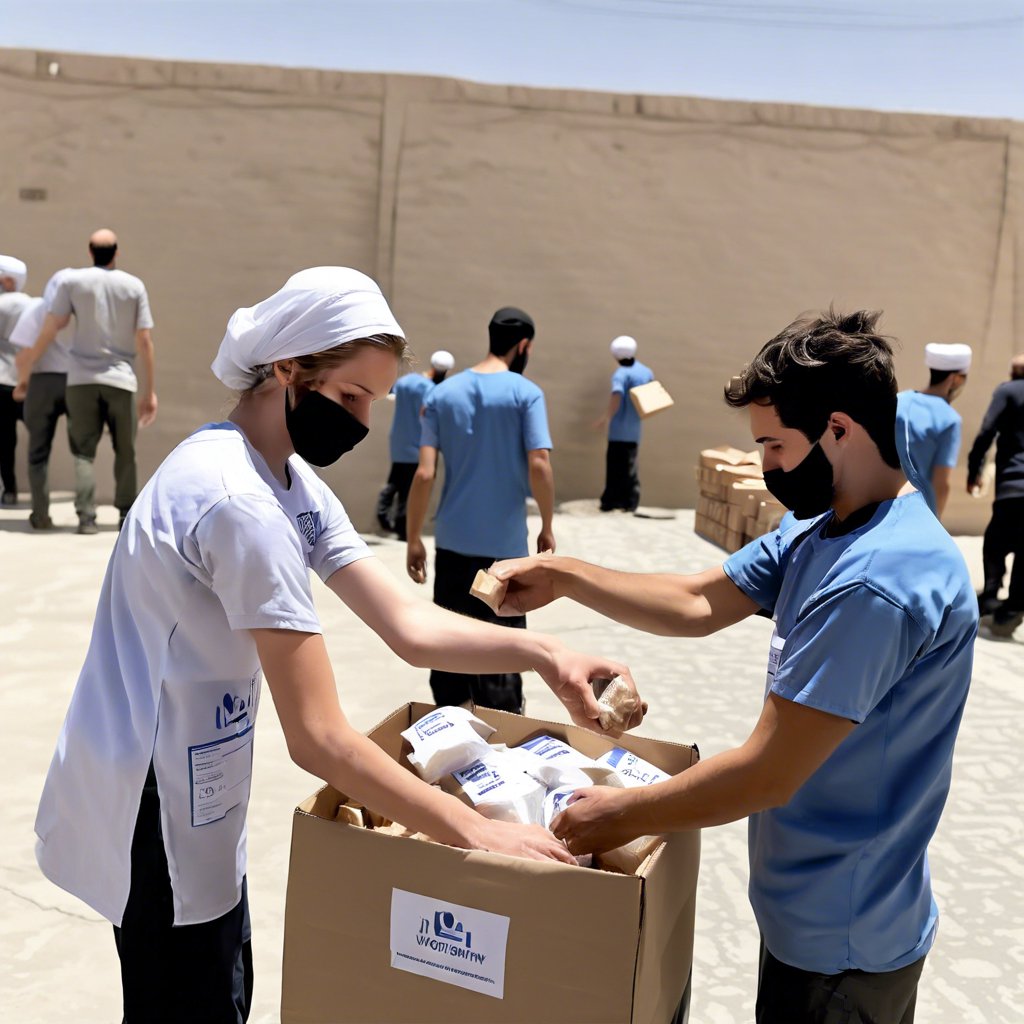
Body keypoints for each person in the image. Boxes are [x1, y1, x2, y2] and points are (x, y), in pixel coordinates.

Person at [34, 267, 641, 1023]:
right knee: (185, 996)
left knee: (221, 982)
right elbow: (318, 736)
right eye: (351, 397)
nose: (361, 420)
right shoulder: (239, 504)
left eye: (374, 402)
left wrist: (545, 652)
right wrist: (472, 831)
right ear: (289, 370)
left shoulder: (286, 478)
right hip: (149, 796)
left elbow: (407, 626)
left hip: (201, 772)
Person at [489, 309, 978, 1024]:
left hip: (845, 939)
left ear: (839, 429)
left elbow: (767, 772)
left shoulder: (878, 583)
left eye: (775, 446)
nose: (768, 466)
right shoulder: (824, 523)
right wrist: (564, 575)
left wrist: (617, 814)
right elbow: (699, 600)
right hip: (806, 911)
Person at [405, 307, 555, 715]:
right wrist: (546, 524)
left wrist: (414, 537)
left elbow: (424, 474)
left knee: (449, 646)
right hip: (504, 554)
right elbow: (539, 463)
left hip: (452, 544)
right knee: (503, 652)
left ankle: (451, 735)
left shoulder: (442, 394)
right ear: (523, 345)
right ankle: (503, 742)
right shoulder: (526, 394)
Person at [15, 229, 157, 534]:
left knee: (83, 451)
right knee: (125, 450)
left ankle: (86, 517)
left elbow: (54, 325)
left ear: (90, 252)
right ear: (116, 252)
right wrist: (150, 390)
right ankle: (124, 514)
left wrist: (26, 370)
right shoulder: (134, 286)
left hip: (80, 379)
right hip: (121, 378)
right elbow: (144, 339)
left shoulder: (72, 281)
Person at [9, 269, 74, 529]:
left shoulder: (37, 309)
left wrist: (22, 382)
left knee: (38, 451)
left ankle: (40, 514)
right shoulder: (82, 311)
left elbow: (24, 353)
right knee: (83, 450)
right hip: (77, 382)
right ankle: (86, 515)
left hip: (42, 382)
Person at [967, 353, 1024, 636]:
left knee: (995, 542)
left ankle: (990, 597)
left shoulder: (1008, 390)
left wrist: (973, 469)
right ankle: (1011, 609)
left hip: (1013, 486)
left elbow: (987, 431)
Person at [376, 349, 454, 539]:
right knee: (408, 492)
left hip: (398, 443)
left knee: (395, 481)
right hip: (418, 446)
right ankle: (402, 530)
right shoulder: (431, 390)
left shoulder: (405, 382)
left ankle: (383, 513)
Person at [895, 342, 971, 518]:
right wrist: (935, 523)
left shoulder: (899, 401)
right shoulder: (949, 419)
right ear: (956, 379)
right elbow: (941, 483)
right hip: (917, 511)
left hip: (881, 504)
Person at [597, 335, 655, 513]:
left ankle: (610, 501)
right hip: (635, 428)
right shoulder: (646, 372)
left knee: (614, 466)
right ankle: (630, 501)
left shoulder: (621, 374)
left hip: (618, 430)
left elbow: (617, 395)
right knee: (630, 466)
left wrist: (606, 416)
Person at [0, 255, 32, 505]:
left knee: (5, 440)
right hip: (27, 380)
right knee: (39, 437)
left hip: (1, 381)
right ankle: (38, 493)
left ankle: (9, 490)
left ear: (8, 281)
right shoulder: (31, 305)